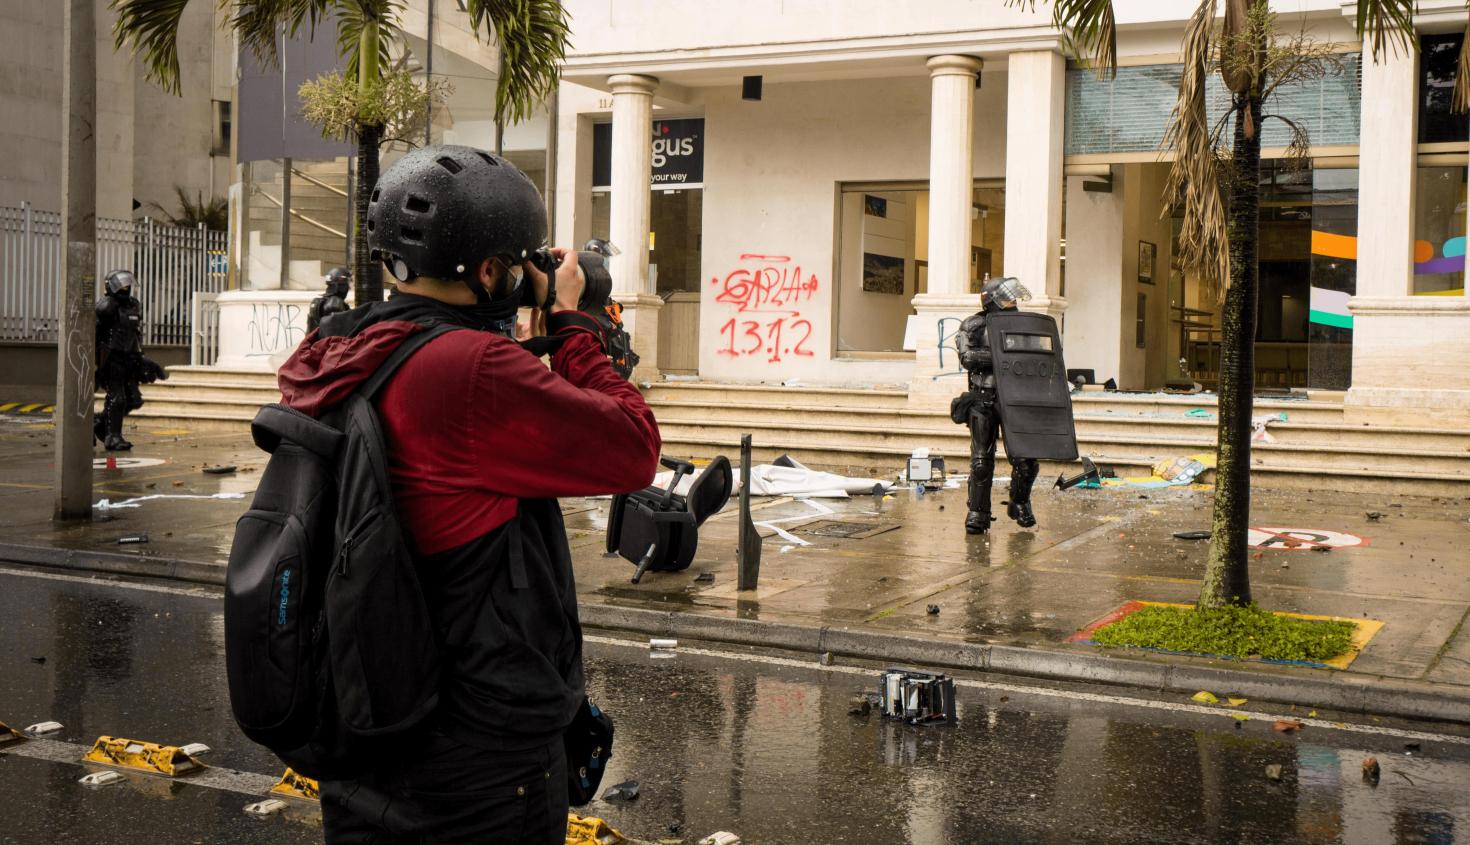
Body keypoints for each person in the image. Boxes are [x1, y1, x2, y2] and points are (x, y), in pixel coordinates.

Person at [275, 144, 661, 845]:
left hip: (371, 718)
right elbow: (633, 447)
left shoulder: (342, 348)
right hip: (477, 758)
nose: (524, 276)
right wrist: (573, 323)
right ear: (487, 271)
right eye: (516, 263)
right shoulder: (472, 369)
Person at [954, 277, 1041, 534]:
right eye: (1007, 298)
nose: (1012, 303)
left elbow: (1037, 357)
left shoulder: (1025, 325)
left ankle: (1020, 502)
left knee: (1026, 459)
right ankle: (978, 511)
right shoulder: (973, 325)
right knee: (981, 460)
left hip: (1017, 397)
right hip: (983, 397)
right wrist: (1004, 355)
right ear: (990, 299)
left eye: (1014, 298)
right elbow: (968, 357)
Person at [94, 269, 167, 451]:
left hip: (130, 357)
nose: (125, 289)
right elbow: (96, 332)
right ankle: (113, 436)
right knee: (117, 398)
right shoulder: (106, 306)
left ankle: (99, 424)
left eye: (127, 285)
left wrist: (141, 358)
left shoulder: (133, 305)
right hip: (111, 358)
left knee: (133, 399)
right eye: (122, 285)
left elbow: (134, 334)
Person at [307, 266, 352, 332]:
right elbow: (341, 333)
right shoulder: (335, 303)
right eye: (346, 284)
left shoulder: (317, 302)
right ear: (339, 285)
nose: (348, 288)